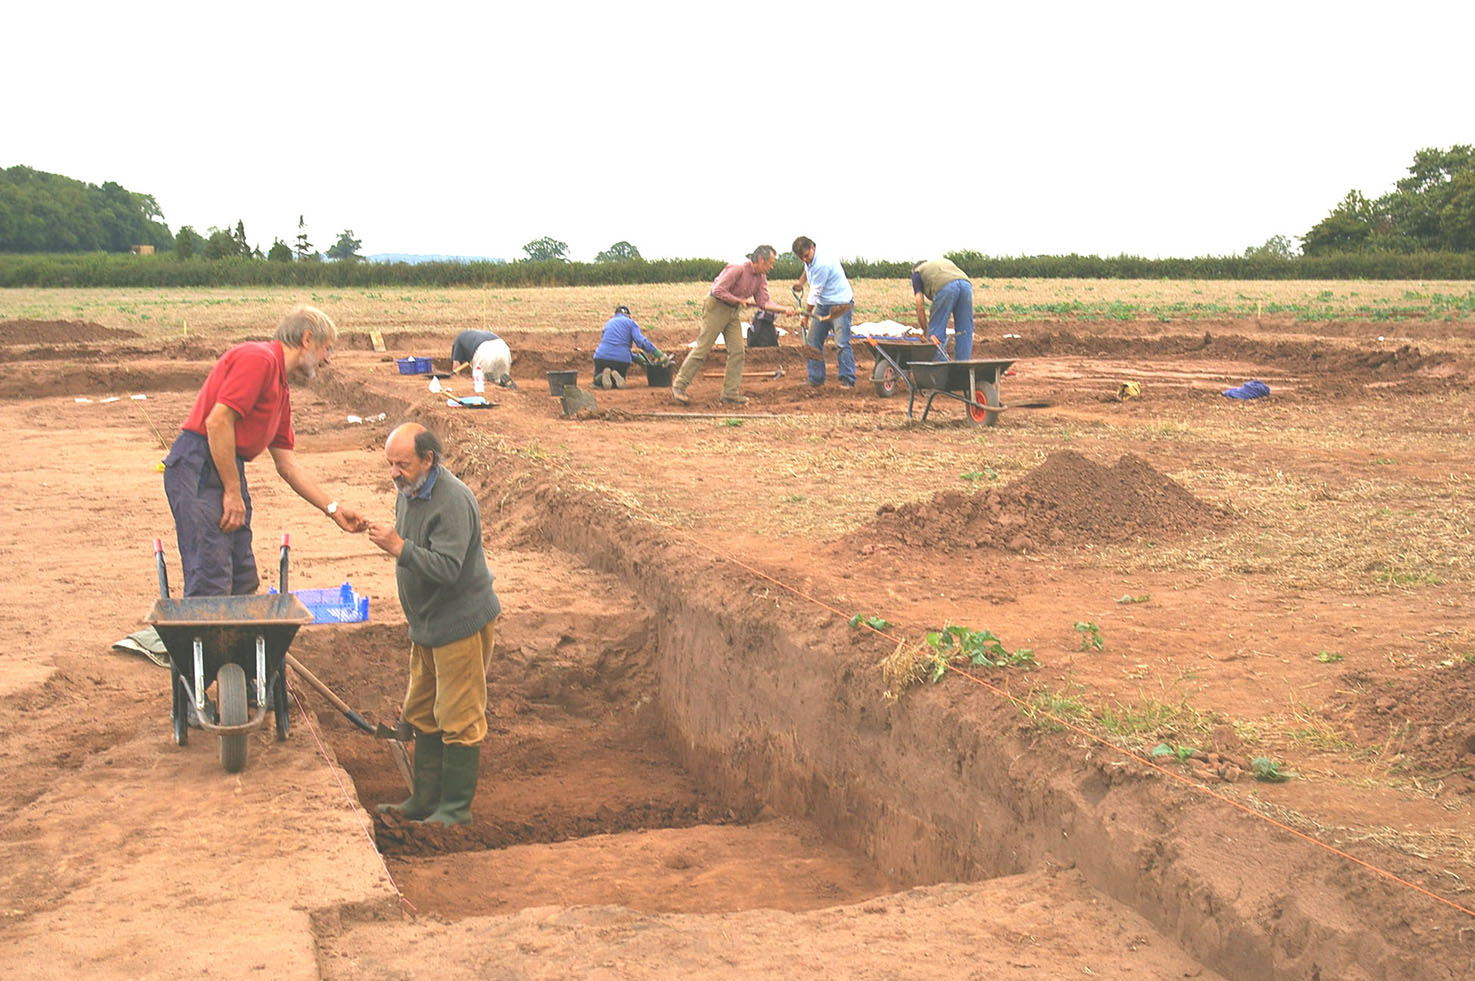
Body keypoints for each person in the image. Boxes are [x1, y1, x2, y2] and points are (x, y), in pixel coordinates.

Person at [162, 304, 367, 598]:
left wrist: (333, 509)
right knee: (212, 573)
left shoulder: (280, 388)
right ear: (307, 340)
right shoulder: (259, 359)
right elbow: (218, 423)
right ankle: (205, 642)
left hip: (226, 465)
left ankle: (240, 644)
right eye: (327, 349)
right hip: (199, 463)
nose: (328, 361)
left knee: (241, 575)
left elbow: (287, 466)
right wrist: (232, 491)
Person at [368, 423, 501, 826]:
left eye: (402, 464)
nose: (394, 472)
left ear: (428, 460)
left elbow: (446, 567)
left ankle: (455, 810)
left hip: (458, 621)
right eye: (390, 463)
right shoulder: (408, 494)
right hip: (426, 622)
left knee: (458, 715)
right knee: (422, 709)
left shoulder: (453, 501)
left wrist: (398, 547)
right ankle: (424, 801)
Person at [670, 245, 799, 405]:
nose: (771, 267)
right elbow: (717, 290)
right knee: (703, 348)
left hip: (732, 312)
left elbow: (763, 302)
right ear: (760, 260)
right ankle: (679, 386)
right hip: (716, 307)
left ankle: (729, 393)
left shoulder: (761, 277)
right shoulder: (737, 269)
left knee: (738, 351)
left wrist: (784, 309)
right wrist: (739, 300)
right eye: (770, 263)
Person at [792, 236, 855, 388]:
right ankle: (815, 378)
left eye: (806, 256)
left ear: (813, 247)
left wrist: (805, 316)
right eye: (802, 258)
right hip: (823, 304)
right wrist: (801, 282)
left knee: (841, 342)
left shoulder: (823, 263)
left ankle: (847, 379)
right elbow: (807, 269)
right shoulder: (810, 260)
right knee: (813, 341)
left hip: (840, 304)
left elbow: (815, 293)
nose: (805, 260)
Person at [912, 257, 975, 361]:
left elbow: (919, 306)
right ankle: (963, 366)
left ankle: (940, 365)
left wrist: (925, 330)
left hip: (945, 287)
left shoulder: (917, 273)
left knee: (936, 329)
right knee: (965, 329)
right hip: (966, 285)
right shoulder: (943, 262)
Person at [592, 305, 668, 389]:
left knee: (596, 384)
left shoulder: (608, 323)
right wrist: (657, 353)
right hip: (621, 360)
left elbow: (612, 346)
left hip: (601, 356)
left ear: (616, 314)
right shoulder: (631, 323)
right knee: (617, 383)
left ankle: (602, 377)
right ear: (628, 315)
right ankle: (615, 378)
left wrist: (635, 358)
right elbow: (640, 341)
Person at [450, 328, 516, 388]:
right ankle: (506, 385)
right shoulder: (474, 335)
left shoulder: (458, 340)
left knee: (481, 382)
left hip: (484, 350)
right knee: (501, 377)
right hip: (503, 348)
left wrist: (456, 379)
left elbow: (456, 366)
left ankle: (490, 384)